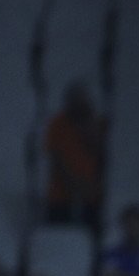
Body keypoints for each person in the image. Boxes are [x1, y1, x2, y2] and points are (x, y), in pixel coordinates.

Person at [42, 82, 106, 224]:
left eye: (82, 100)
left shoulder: (98, 123)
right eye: (74, 100)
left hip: (91, 195)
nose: (78, 104)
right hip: (60, 194)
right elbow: (55, 158)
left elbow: (103, 155)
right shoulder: (57, 124)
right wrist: (72, 183)